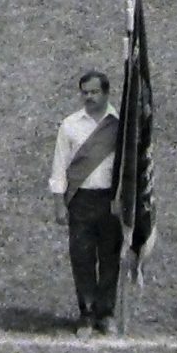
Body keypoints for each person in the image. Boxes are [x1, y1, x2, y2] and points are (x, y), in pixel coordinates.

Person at [49, 68, 123, 337]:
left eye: (94, 92)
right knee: (81, 258)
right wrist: (59, 203)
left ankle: (106, 313)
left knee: (110, 259)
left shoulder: (120, 124)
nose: (89, 97)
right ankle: (86, 315)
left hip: (111, 201)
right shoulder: (70, 125)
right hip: (81, 201)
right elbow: (60, 166)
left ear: (106, 93)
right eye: (85, 92)